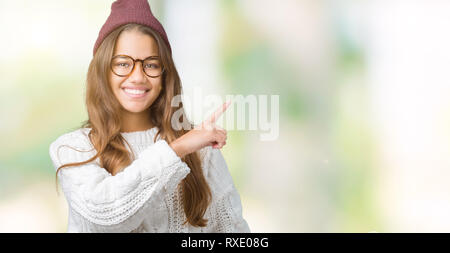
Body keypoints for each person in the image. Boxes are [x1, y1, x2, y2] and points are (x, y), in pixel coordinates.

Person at [48, 0, 250, 233]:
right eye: (123, 64)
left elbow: (233, 230)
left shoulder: (201, 149)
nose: (138, 77)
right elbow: (106, 218)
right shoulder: (73, 149)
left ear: (165, 74)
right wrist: (178, 149)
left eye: (151, 65)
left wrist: (189, 145)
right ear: (102, 71)